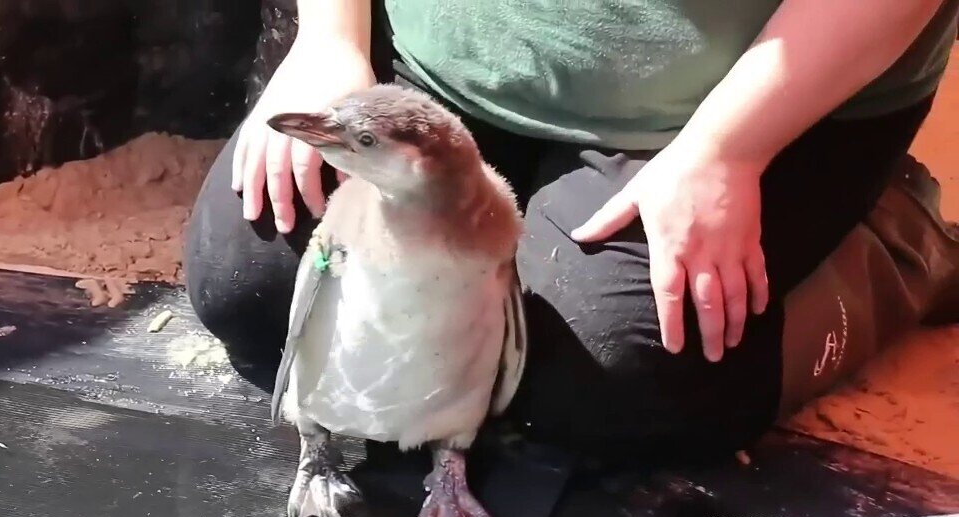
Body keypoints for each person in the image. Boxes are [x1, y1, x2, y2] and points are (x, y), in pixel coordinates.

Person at [184, 0, 959, 463]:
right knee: (254, 287)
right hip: (439, 60)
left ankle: (896, 239)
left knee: (607, 380)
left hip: (736, 101)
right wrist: (331, 41)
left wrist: (729, 151)